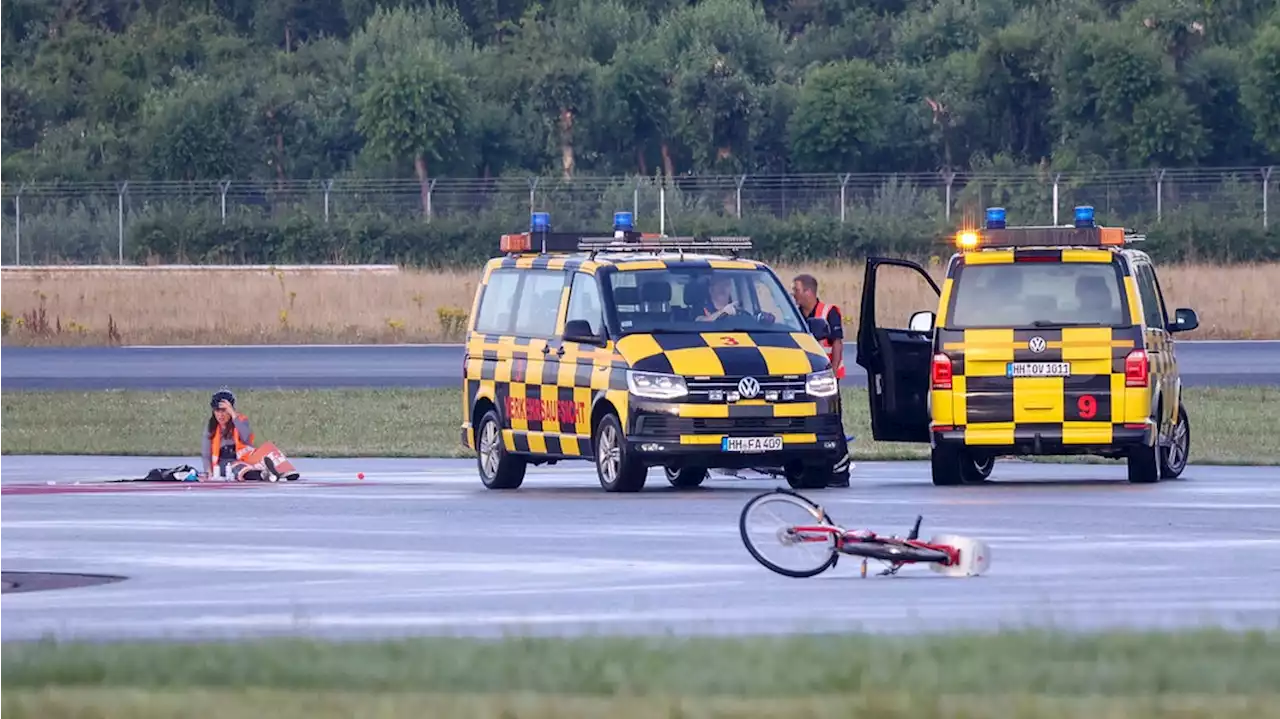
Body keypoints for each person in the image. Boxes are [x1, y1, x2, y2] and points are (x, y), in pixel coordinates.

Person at [200, 389, 298, 482]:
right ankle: (263, 474)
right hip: (225, 463)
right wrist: (208, 472)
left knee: (269, 448)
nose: (220, 415)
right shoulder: (210, 427)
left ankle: (285, 471)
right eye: (217, 411)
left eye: (224, 411)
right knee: (240, 468)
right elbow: (206, 454)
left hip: (246, 458)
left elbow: (246, 437)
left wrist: (234, 415)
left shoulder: (241, 420)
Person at [791, 274, 845, 379]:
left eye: (796, 290)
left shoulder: (829, 312)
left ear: (808, 292)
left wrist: (832, 374)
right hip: (802, 371)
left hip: (825, 369)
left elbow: (837, 343)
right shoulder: (793, 315)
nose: (793, 294)